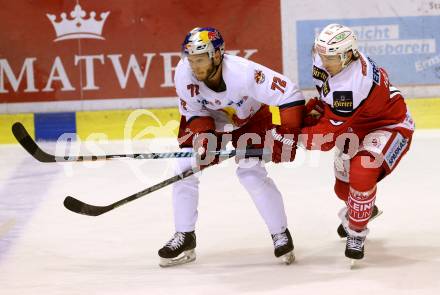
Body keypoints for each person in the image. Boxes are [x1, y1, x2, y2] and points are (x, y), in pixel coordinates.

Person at [157, 27, 305, 267]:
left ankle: (280, 233)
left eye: (200, 58)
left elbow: (290, 94)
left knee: (250, 172)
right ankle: (184, 235)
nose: (194, 66)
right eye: (191, 59)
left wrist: (287, 135)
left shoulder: (244, 73)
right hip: (211, 119)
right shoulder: (184, 73)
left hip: (252, 119)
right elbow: (194, 111)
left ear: (217, 55)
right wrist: (205, 137)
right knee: (183, 165)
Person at [301, 24, 414, 263]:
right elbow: (327, 95)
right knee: (342, 190)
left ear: (349, 54)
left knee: (362, 172)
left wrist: (294, 135)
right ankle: (365, 208)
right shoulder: (325, 56)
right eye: (321, 54)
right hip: (356, 122)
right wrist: (320, 107)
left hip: (389, 124)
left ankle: (357, 232)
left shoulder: (353, 84)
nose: (323, 60)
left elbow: (325, 137)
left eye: (330, 57)